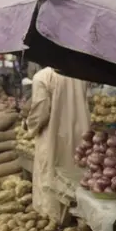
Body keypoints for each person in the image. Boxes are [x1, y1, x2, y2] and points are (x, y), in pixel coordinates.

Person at [27, 68, 90, 222]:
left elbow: (40, 114)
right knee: (77, 182)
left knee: (52, 185)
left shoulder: (42, 77)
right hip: (80, 139)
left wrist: (28, 125)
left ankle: (56, 228)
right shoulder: (81, 75)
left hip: (53, 141)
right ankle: (79, 227)